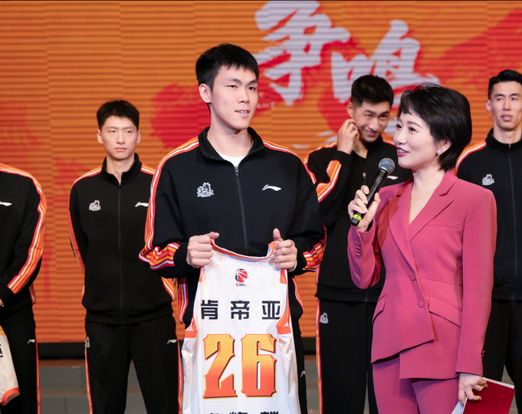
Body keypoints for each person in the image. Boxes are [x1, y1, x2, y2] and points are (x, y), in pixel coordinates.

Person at [139, 43, 324, 413]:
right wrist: (186, 254)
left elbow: (316, 242)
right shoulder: (176, 168)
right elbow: (154, 253)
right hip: (210, 336)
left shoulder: (287, 165)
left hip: (275, 333)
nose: (245, 98)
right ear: (205, 92)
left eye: (252, 87)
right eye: (233, 86)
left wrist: (297, 255)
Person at [347, 83, 496, 413]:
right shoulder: (386, 198)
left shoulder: (475, 200)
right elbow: (364, 278)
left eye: (411, 129)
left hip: (443, 347)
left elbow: (478, 290)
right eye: (399, 126)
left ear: (443, 142)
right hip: (389, 345)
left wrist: (470, 363)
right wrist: (362, 229)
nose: (398, 138)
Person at [456, 69, 522, 414]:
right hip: (486, 301)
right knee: (482, 402)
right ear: (488, 104)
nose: (507, 106)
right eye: (499, 98)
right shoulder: (469, 163)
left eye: (514, 98)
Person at [305, 74, 410, 414]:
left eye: (383, 116)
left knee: (389, 400)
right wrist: (343, 155)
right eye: (367, 114)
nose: (375, 125)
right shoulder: (322, 159)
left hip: (388, 295)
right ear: (350, 109)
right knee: (340, 398)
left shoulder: (398, 159)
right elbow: (320, 215)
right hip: (338, 294)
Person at [68, 100, 180, 413]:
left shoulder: (157, 184)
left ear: (139, 136)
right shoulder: (82, 189)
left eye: (128, 131)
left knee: (165, 405)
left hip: (153, 317)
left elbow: (172, 244)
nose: (120, 139)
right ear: (99, 135)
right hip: (102, 320)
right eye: (112, 131)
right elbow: (82, 249)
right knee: (106, 407)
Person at [0, 163, 45, 414]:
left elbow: (31, 253)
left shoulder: (24, 185)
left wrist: (3, 295)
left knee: (20, 404)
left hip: (13, 314)